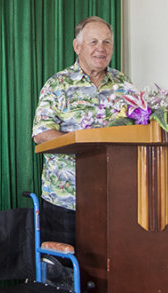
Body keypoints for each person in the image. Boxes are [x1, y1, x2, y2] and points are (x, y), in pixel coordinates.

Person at [31, 16, 131, 246]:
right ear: (77, 47)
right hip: (66, 200)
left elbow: (137, 128)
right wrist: (86, 145)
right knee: (64, 275)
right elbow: (42, 133)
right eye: (93, 42)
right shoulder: (58, 84)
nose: (101, 49)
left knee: (109, 273)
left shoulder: (124, 84)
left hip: (114, 198)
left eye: (107, 42)